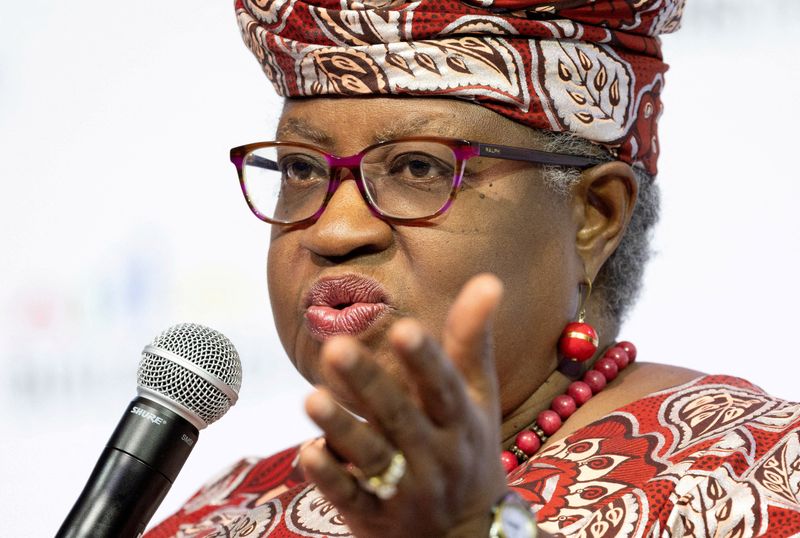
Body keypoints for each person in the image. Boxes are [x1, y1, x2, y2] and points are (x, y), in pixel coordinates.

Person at [146, 0, 800, 536]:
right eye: (301, 169)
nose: (336, 229)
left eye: (418, 167)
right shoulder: (221, 517)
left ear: (593, 216)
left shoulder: (754, 476)